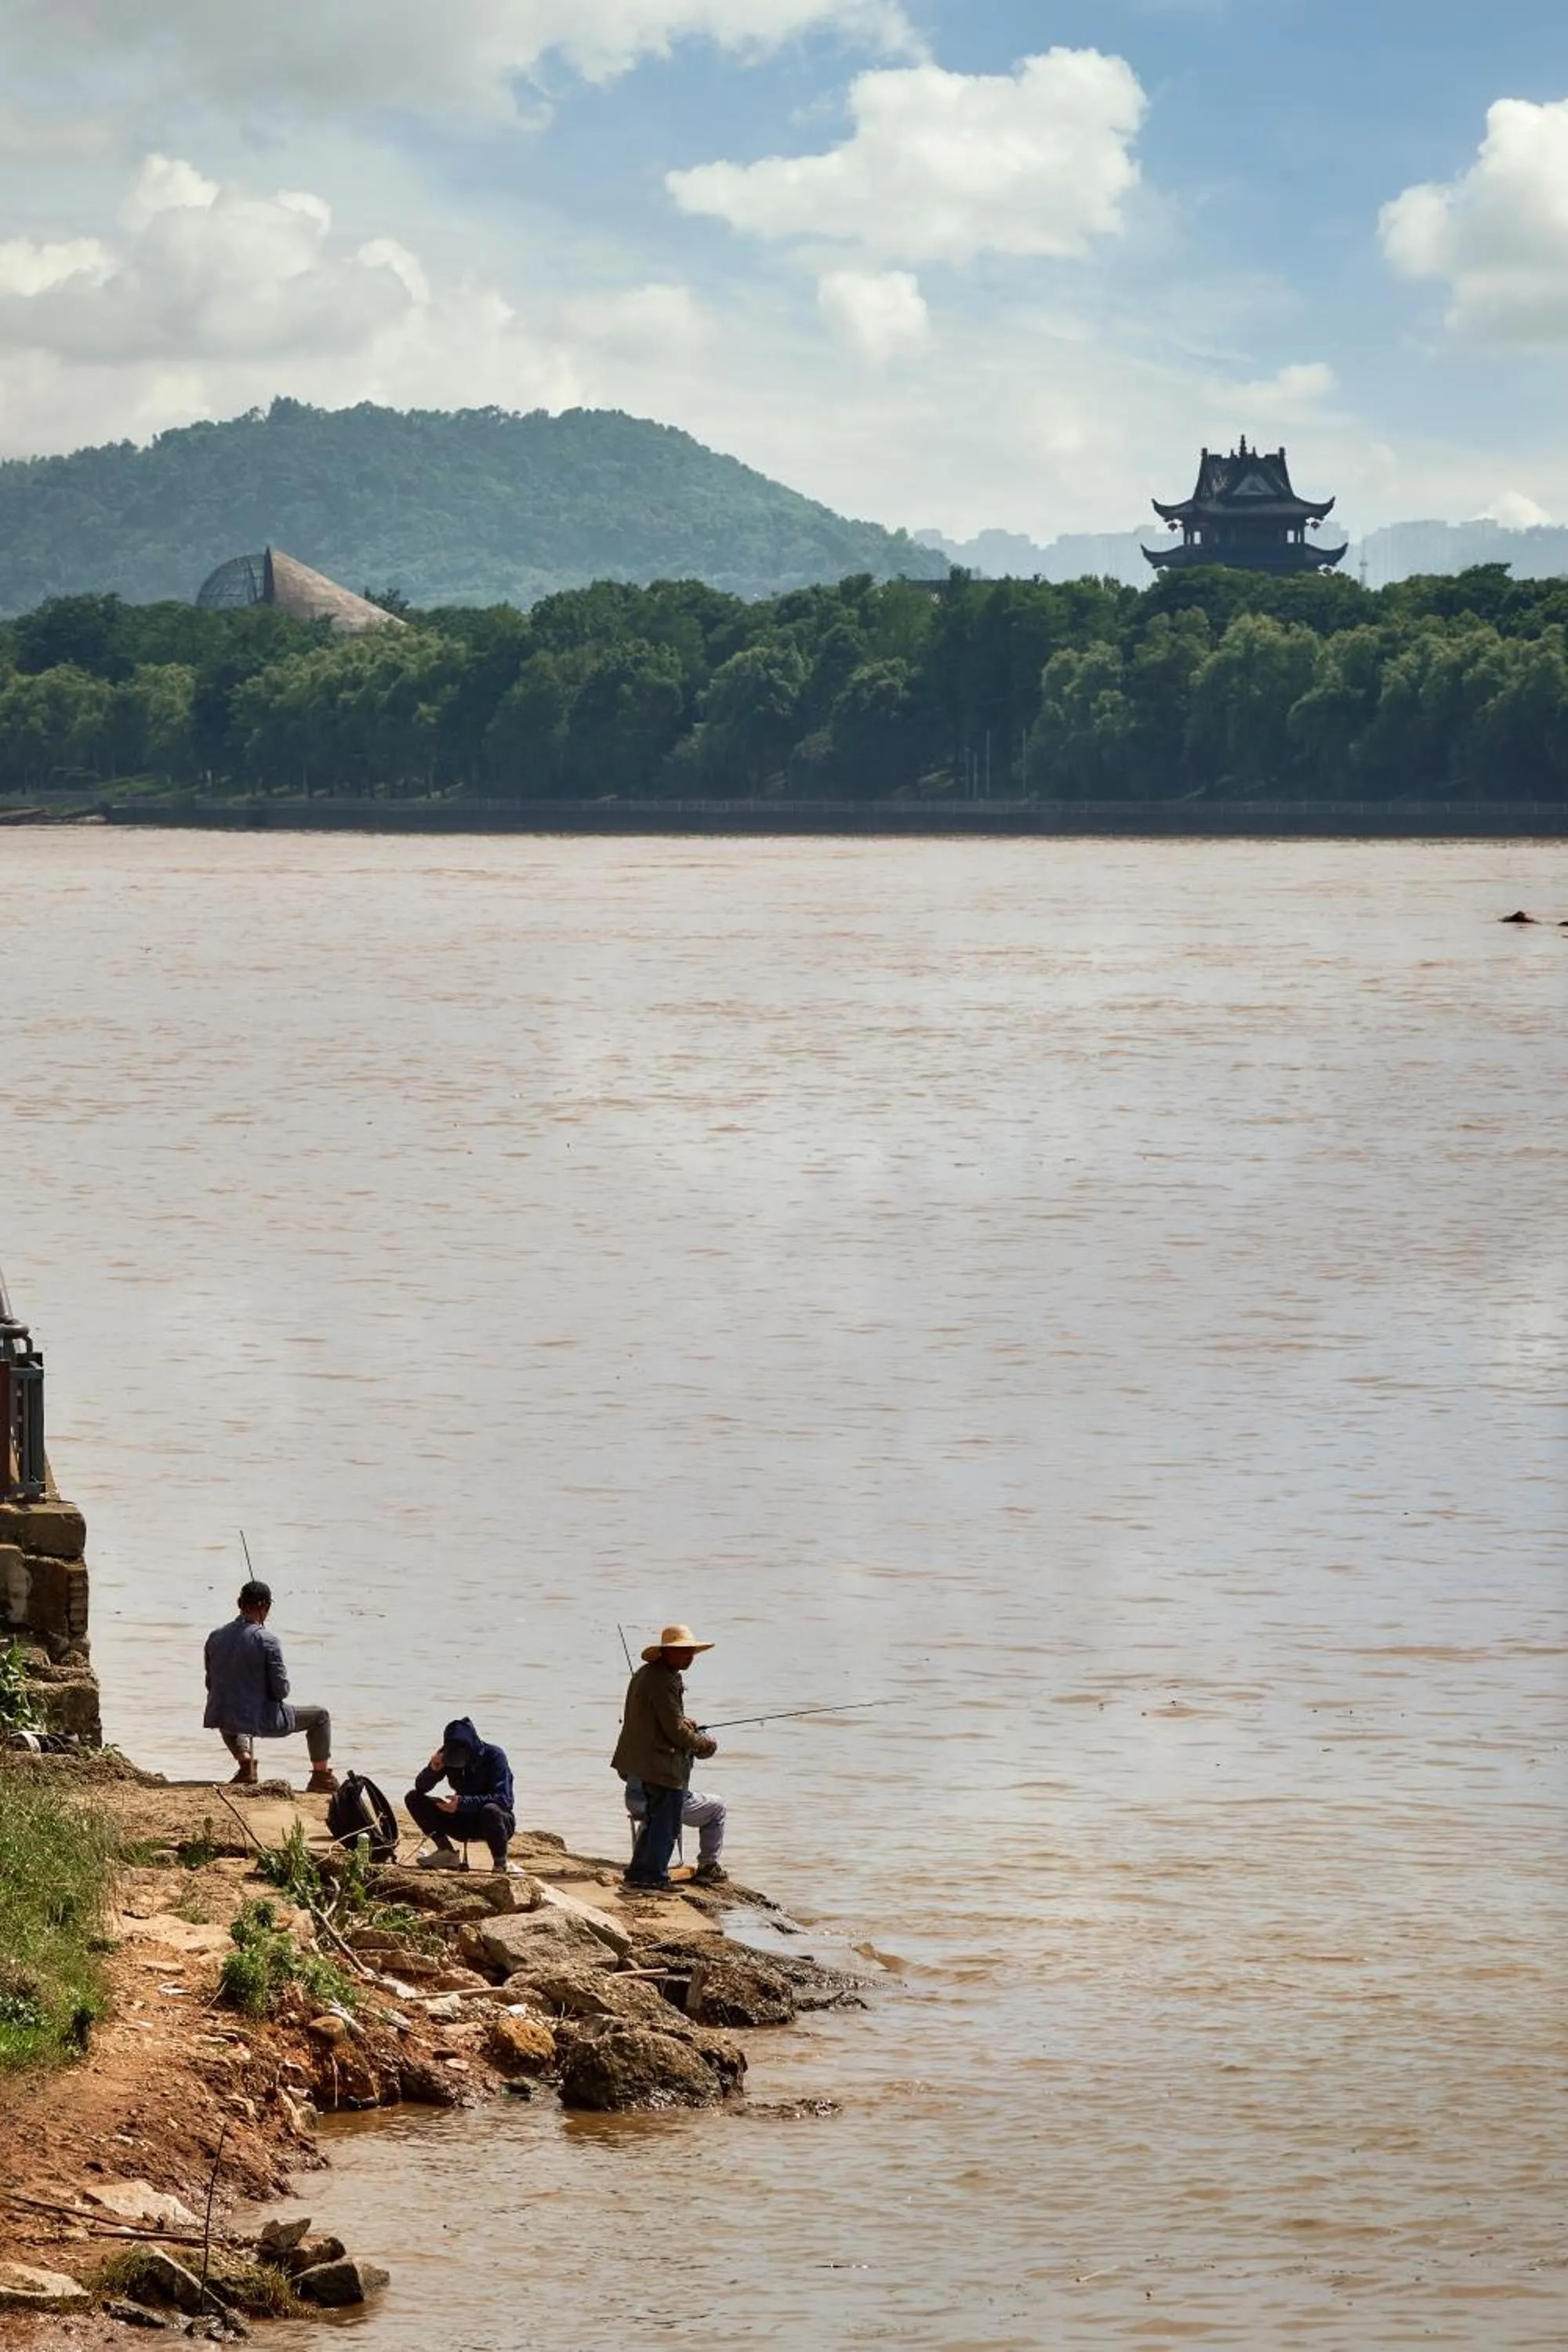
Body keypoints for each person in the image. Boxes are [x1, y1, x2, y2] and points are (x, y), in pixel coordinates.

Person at [203, 1579, 338, 1794]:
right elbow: (281, 1691)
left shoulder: (215, 1637)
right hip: (257, 1719)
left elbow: (210, 1683)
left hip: (220, 1715)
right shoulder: (268, 1640)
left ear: (239, 1603)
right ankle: (321, 1777)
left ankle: (246, 1763)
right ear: (265, 1608)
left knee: (230, 1708)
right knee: (320, 1716)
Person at [612, 1622, 719, 1891]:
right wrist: (703, 1744)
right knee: (666, 1823)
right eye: (683, 1652)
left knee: (654, 1819)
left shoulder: (649, 1674)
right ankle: (655, 1877)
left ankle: (638, 1873)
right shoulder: (664, 1679)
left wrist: (685, 1723)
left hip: (642, 1762)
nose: (689, 1657)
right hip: (659, 1764)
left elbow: (663, 1718)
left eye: (691, 1652)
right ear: (666, 1652)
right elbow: (674, 1732)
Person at [406, 1717, 516, 1872]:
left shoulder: (495, 1756)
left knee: (491, 1810)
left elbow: (504, 1800)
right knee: (413, 1798)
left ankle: (500, 1863)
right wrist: (432, 1770)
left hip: (495, 1822)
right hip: (462, 1820)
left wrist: (464, 1802)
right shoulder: (447, 1756)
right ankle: (446, 1853)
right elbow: (421, 1787)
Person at [622, 1777, 728, 1887]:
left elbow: (623, 1772)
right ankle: (708, 1865)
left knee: (655, 1812)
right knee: (718, 1806)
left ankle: (641, 1865)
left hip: (633, 1799)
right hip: (664, 1799)